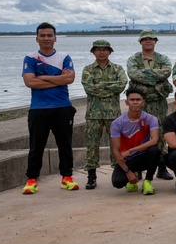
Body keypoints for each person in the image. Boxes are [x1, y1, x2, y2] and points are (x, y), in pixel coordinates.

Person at [21, 22, 78, 194]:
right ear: (37, 38)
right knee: (36, 146)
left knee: (65, 144)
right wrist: (55, 79)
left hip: (62, 107)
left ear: (55, 38)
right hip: (39, 109)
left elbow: (69, 79)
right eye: (43, 35)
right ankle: (32, 179)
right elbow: (29, 82)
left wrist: (42, 78)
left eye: (49, 35)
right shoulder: (30, 57)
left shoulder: (64, 57)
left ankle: (67, 177)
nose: (46, 38)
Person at [126, 29, 173, 180]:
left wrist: (145, 74)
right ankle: (138, 167)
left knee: (158, 133)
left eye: (151, 39)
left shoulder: (163, 59)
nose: (148, 41)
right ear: (140, 41)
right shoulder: (133, 59)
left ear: (155, 41)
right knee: (138, 132)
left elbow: (166, 73)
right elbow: (133, 74)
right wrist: (154, 77)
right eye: (145, 39)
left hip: (158, 101)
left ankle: (161, 167)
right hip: (140, 103)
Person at [81, 39, 127, 190]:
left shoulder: (117, 69)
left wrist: (99, 85)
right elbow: (89, 88)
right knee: (92, 146)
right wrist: (109, 87)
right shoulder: (88, 69)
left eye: (104, 49)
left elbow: (121, 85)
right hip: (93, 114)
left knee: (117, 146)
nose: (101, 52)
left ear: (110, 51)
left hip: (113, 114)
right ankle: (91, 176)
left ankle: (119, 172)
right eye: (98, 49)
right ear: (93, 52)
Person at [109, 88, 161, 195]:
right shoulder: (117, 123)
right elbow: (115, 150)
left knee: (155, 150)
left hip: (143, 157)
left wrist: (131, 150)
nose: (135, 102)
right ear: (127, 102)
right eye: (132, 100)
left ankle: (147, 181)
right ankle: (133, 176)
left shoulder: (150, 119)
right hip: (127, 160)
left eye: (138, 99)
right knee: (117, 182)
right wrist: (127, 171)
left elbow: (154, 140)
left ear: (143, 102)